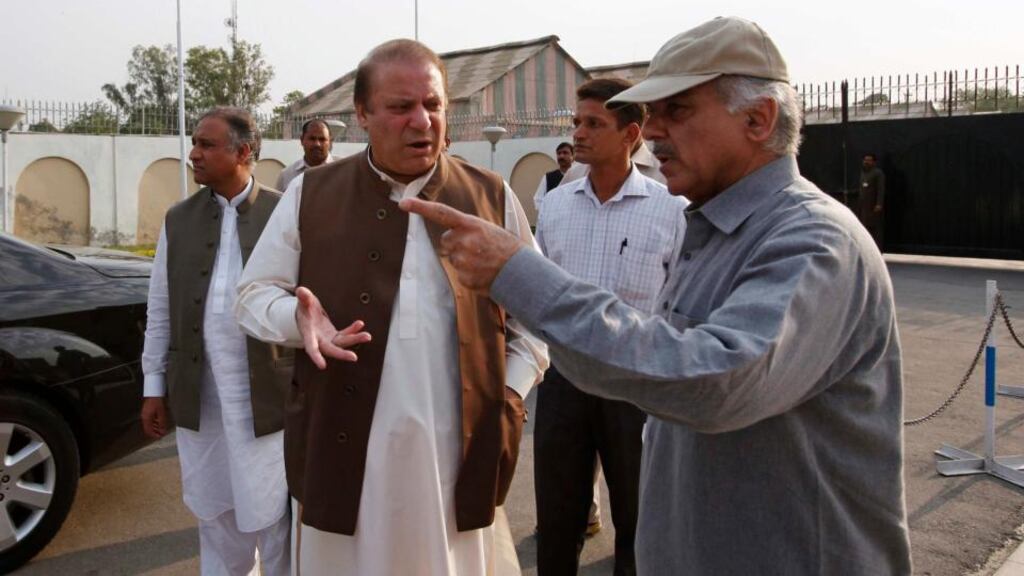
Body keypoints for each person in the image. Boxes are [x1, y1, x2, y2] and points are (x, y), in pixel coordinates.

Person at [401, 16, 913, 575]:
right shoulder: (714, 227)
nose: (655, 131)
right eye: (653, 114)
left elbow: (714, 381)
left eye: (679, 111)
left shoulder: (814, 241)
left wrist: (520, 274)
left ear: (758, 119)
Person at [234, 39, 548, 575]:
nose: (421, 121)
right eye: (401, 107)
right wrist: (297, 319)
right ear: (362, 114)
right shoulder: (313, 194)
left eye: (433, 105)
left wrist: (508, 394)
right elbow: (252, 296)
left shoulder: (489, 196)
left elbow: (538, 317)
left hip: (458, 456)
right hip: (343, 449)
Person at [534, 77, 687, 576]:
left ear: (631, 134)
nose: (578, 133)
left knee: (637, 520)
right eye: (576, 122)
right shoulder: (554, 206)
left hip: (636, 387)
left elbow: (681, 304)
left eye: (593, 124)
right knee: (557, 520)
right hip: (565, 382)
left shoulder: (671, 211)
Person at [140, 107, 290, 575]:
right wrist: (153, 386)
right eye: (195, 143)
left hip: (267, 396)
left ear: (243, 152)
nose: (193, 154)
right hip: (200, 393)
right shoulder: (178, 219)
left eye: (206, 145)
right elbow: (160, 306)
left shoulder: (283, 213)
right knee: (214, 510)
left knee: (273, 514)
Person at [275, 118, 338, 191]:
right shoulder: (286, 175)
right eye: (312, 139)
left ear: (330, 142)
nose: (317, 144)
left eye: (322, 139)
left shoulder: (344, 170)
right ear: (302, 140)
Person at [533, 141, 574, 211]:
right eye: (559, 153)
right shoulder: (548, 177)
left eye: (565, 153)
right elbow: (538, 199)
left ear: (573, 156)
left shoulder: (580, 174)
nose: (561, 156)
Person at [858, 152, 886, 248]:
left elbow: (881, 189)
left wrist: (879, 204)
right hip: (863, 206)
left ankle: (877, 249)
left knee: (875, 229)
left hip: (873, 206)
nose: (866, 162)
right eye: (865, 160)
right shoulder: (863, 173)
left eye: (869, 160)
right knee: (864, 227)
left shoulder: (878, 173)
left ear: (874, 162)